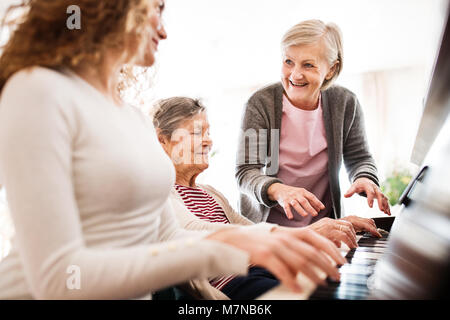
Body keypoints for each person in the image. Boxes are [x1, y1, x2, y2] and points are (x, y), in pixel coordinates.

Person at [0, 1, 344, 299]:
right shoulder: (38, 91)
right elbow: (61, 277)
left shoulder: (130, 115)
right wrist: (243, 245)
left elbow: (167, 235)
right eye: (157, 9)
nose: (163, 31)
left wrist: (267, 237)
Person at [153, 96, 382, 299]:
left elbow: (258, 233)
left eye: (207, 132)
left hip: (262, 269)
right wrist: (311, 233)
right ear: (162, 140)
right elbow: (199, 238)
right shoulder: (160, 193)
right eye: (195, 133)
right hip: (236, 284)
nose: (208, 141)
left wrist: (332, 227)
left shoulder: (211, 193)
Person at [236, 19, 390, 235]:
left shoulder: (345, 103)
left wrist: (363, 177)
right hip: (270, 233)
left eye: (308, 65)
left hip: (325, 229)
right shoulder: (260, 103)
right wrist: (278, 190)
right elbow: (246, 172)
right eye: (288, 61)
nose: (295, 74)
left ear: (331, 69)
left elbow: (359, 157)